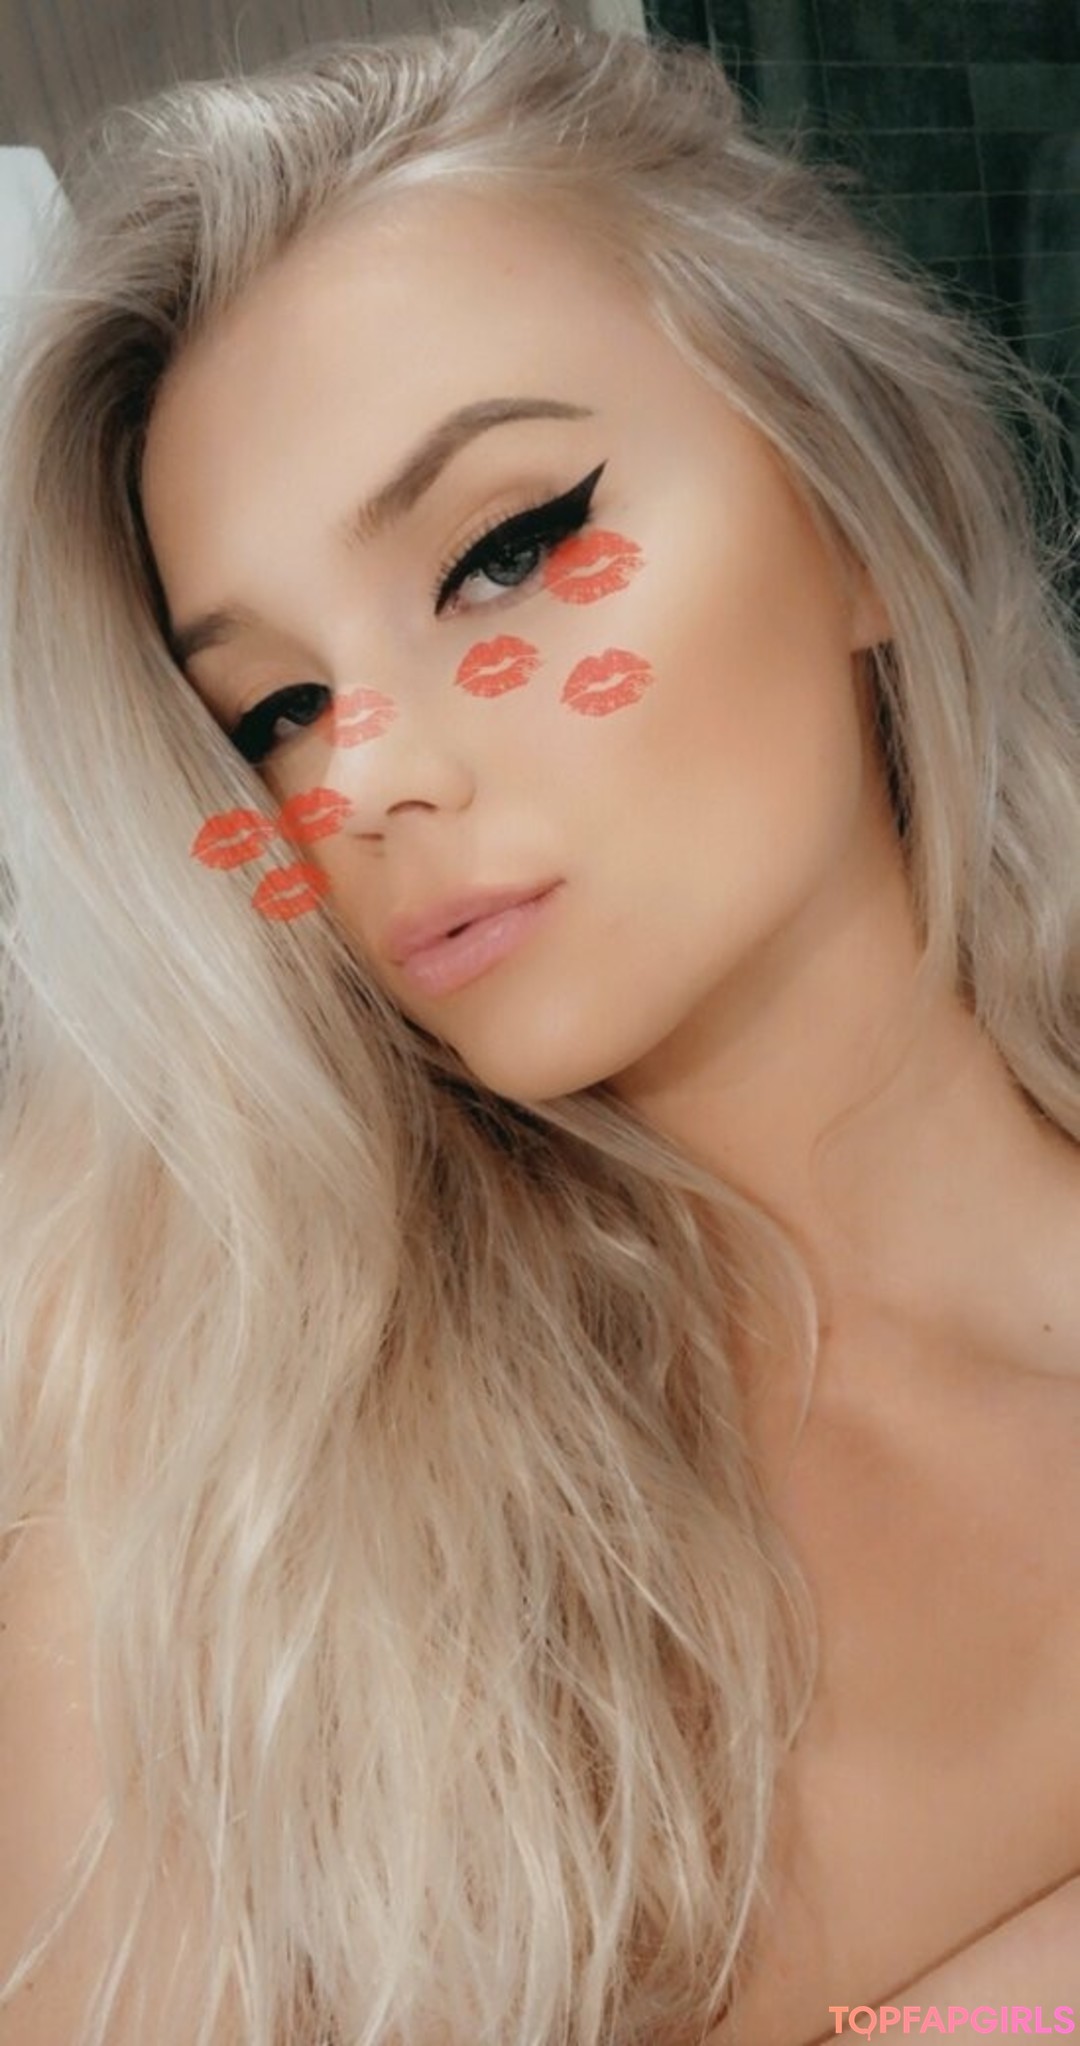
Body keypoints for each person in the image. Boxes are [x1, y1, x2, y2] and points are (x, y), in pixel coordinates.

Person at [1, 4, 1079, 2041]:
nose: (365, 776)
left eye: (503, 551)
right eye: (274, 709)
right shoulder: (227, 1538)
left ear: (850, 505)